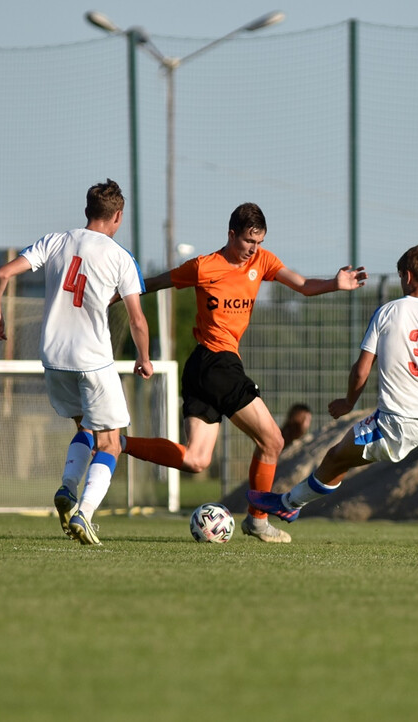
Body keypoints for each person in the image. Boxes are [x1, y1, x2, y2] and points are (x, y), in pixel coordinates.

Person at [246, 243, 418, 549]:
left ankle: (290, 503)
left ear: (406, 276)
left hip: (397, 422)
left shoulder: (388, 312)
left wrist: (348, 402)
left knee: (336, 458)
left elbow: (361, 370)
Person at [118, 202, 367, 544]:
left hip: (207, 367)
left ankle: (116, 442)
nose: (254, 249)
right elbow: (155, 283)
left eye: (259, 242)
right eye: (249, 241)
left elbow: (304, 285)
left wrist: (335, 284)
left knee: (196, 459)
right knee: (272, 441)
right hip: (214, 363)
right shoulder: (204, 266)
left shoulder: (262, 261)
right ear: (231, 234)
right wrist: (113, 294)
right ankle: (257, 520)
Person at [0, 179, 153, 546]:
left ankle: (67, 488)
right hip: (93, 360)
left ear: (87, 211)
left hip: (54, 358)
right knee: (111, 444)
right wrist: (143, 358)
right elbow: (137, 319)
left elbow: (2, 273)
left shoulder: (55, 241)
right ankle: (85, 513)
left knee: (86, 431)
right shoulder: (121, 257)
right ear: (118, 217)